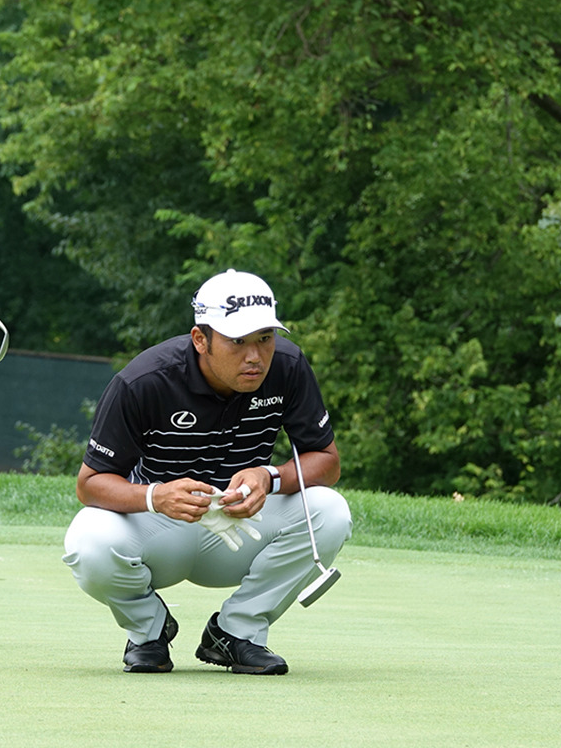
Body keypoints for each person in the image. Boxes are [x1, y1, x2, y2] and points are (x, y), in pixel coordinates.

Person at [63, 269, 353, 674]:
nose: (255, 356)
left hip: (242, 525)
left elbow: (326, 459)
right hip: (161, 528)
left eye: (265, 339)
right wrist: (154, 496)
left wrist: (268, 478)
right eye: (237, 341)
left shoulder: (287, 366)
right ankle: (149, 630)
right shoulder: (144, 381)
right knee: (88, 539)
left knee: (330, 510)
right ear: (201, 339)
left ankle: (236, 634)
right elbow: (90, 484)